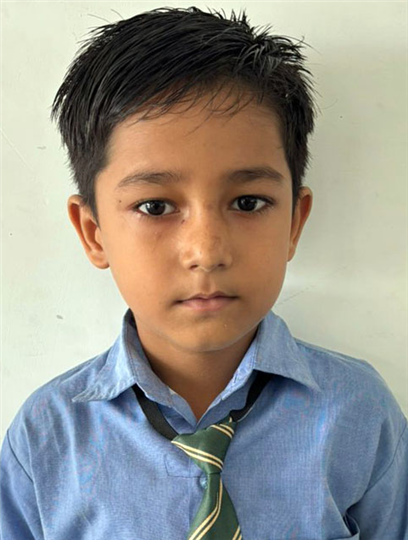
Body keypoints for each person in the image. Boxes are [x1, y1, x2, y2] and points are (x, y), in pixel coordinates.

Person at [1, 6, 407, 540]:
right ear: (94, 232)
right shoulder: (46, 436)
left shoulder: (360, 412)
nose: (206, 251)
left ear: (294, 221)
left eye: (247, 202)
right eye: (154, 207)